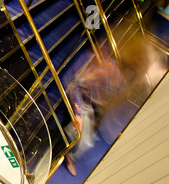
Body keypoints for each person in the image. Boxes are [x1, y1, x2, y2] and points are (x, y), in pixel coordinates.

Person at [63, 34, 166, 176]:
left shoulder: (127, 80)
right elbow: (75, 85)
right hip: (83, 99)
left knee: (89, 136)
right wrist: (78, 113)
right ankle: (66, 152)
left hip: (95, 105)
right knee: (84, 135)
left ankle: (71, 151)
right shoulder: (109, 71)